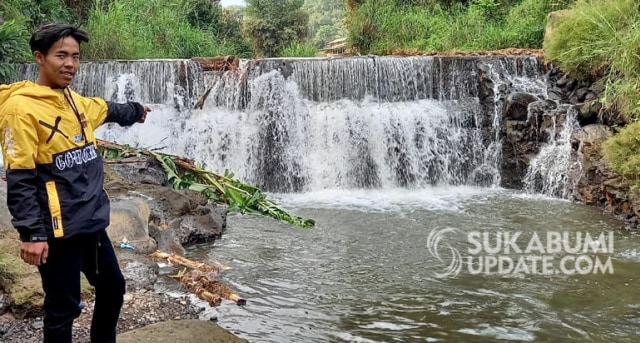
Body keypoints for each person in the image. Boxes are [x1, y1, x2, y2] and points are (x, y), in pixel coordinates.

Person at [0, 23, 151, 343]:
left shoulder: (73, 101)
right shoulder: (20, 108)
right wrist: (31, 234)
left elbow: (107, 109)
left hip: (89, 223)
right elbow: (20, 177)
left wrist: (137, 111)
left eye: (75, 56)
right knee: (63, 307)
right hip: (56, 231)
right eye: (61, 56)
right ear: (40, 57)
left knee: (113, 287)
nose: (70, 64)